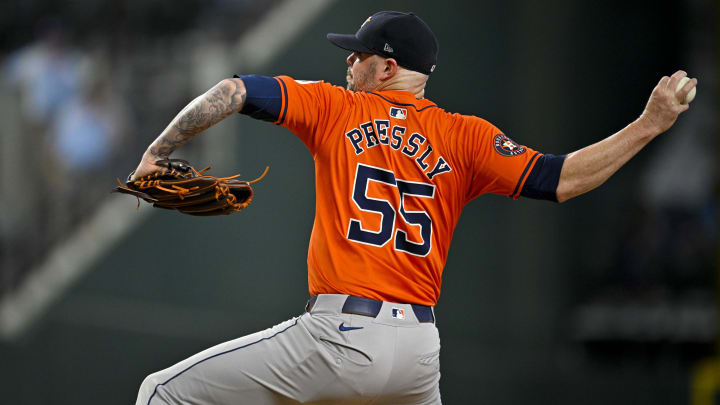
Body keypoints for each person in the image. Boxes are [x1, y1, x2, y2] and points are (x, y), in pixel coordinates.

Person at [132, 10, 697, 405]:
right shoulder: (465, 137)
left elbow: (232, 91)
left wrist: (157, 152)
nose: (347, 65)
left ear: (383, 68)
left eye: (356, 56)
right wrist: (650, 125)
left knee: (161, 393)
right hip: (419, 355)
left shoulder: (336, 109)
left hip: (342, 337)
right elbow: (564, 179)